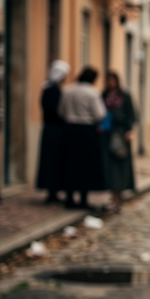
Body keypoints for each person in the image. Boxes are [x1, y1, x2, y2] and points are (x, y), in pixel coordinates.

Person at [58, 66, 106, 210]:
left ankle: (69, 198)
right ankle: (83, 199)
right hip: (87, 131)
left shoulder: (68, 90)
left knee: (70, 164)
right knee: (85, 166)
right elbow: (100, 114)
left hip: (69, 130)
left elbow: (61, 111)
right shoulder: (92, 93)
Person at [101, 71, 136, 214]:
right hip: (107, 136)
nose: (111, 83)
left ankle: (118, 198)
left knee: (121, 167)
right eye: (108, 80)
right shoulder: (104, 96)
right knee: (109, 169)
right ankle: (112, 198)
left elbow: (132, 115)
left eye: (113, 80)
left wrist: (129, 131)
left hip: (121, 135)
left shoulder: (125, 97)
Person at [36, 59, 70, 204]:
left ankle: (53, 191)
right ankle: (52, 192)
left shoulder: (48, 89)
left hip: (50, 129)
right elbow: (55, 111)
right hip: (54, 130)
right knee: (53, 161)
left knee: (53, 161)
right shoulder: (53, 91)